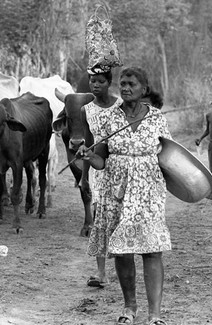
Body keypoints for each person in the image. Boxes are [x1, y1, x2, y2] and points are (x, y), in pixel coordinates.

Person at [78, 66, 172, 325]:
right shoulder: (110, 119)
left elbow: (170, 157)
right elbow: (101, 160)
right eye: (123, 83)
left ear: (144, 89)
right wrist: (89, 155)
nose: (126, 88)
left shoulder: (157, 119)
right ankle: (129, 308)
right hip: (116, 191)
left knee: (152, 250)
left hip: (149, 193)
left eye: (132, 84)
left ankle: (155, 315)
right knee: (122, 251)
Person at [81, 67, 122, 288]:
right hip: (99, 171)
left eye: (99, 81)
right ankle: (101, 272)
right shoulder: (86, 110)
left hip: (121, 169)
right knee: (100, 219)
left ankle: (121, 268)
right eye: (92, 81)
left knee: (120, 218)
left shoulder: (121, 106)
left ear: (109, 82)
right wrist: (84, 177)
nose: (95, 85)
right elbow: (89, 146)